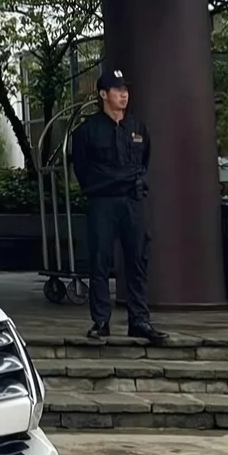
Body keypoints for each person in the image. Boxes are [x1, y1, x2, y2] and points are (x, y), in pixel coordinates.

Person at [69, 68, 170, 345]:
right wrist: (106, 184)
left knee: (137, 260)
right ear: (103, 94)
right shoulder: (87, 131)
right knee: (100, 261)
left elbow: (144, 162)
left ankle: (140, 320)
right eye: (117, 90)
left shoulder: (137, 127)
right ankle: (101, 322)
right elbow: (82, 168)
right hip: (103, 202)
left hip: (133, 202)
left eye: (126, 89)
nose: (124, 94)